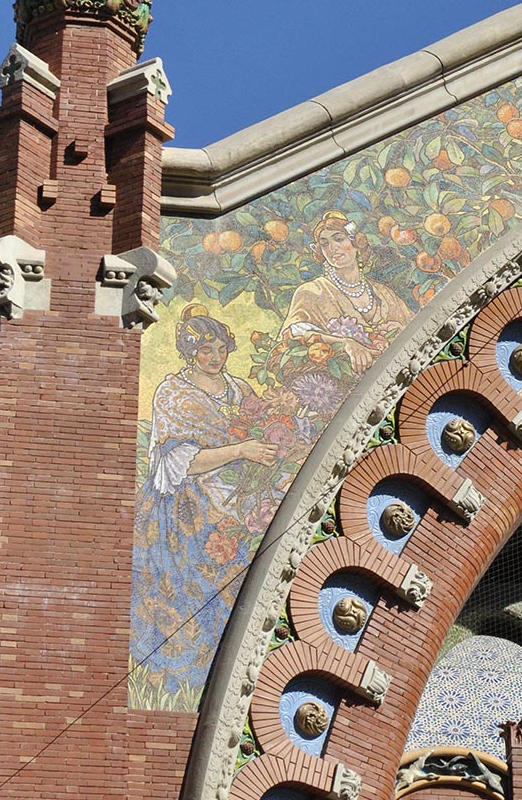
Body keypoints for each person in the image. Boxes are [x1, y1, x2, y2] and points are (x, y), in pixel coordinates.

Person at [130, 307, 279, 696]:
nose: (214, 357)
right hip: (186, 509)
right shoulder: (174, 394)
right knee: (189, 590)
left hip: (236, 498)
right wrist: (241, 451)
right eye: (204, 350)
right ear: (188, 351)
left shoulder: (239, 389)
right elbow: (182, 462)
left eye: (220, 349)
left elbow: (263, 429)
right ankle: (187, 680)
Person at [277, 211, 411, 383]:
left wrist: (400, 330)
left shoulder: (383, 293)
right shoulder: (312, 292)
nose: (332, 248)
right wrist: (344, 343)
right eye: (325, 244)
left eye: (339, 239)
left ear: (356, 243)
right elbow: (293, 335)